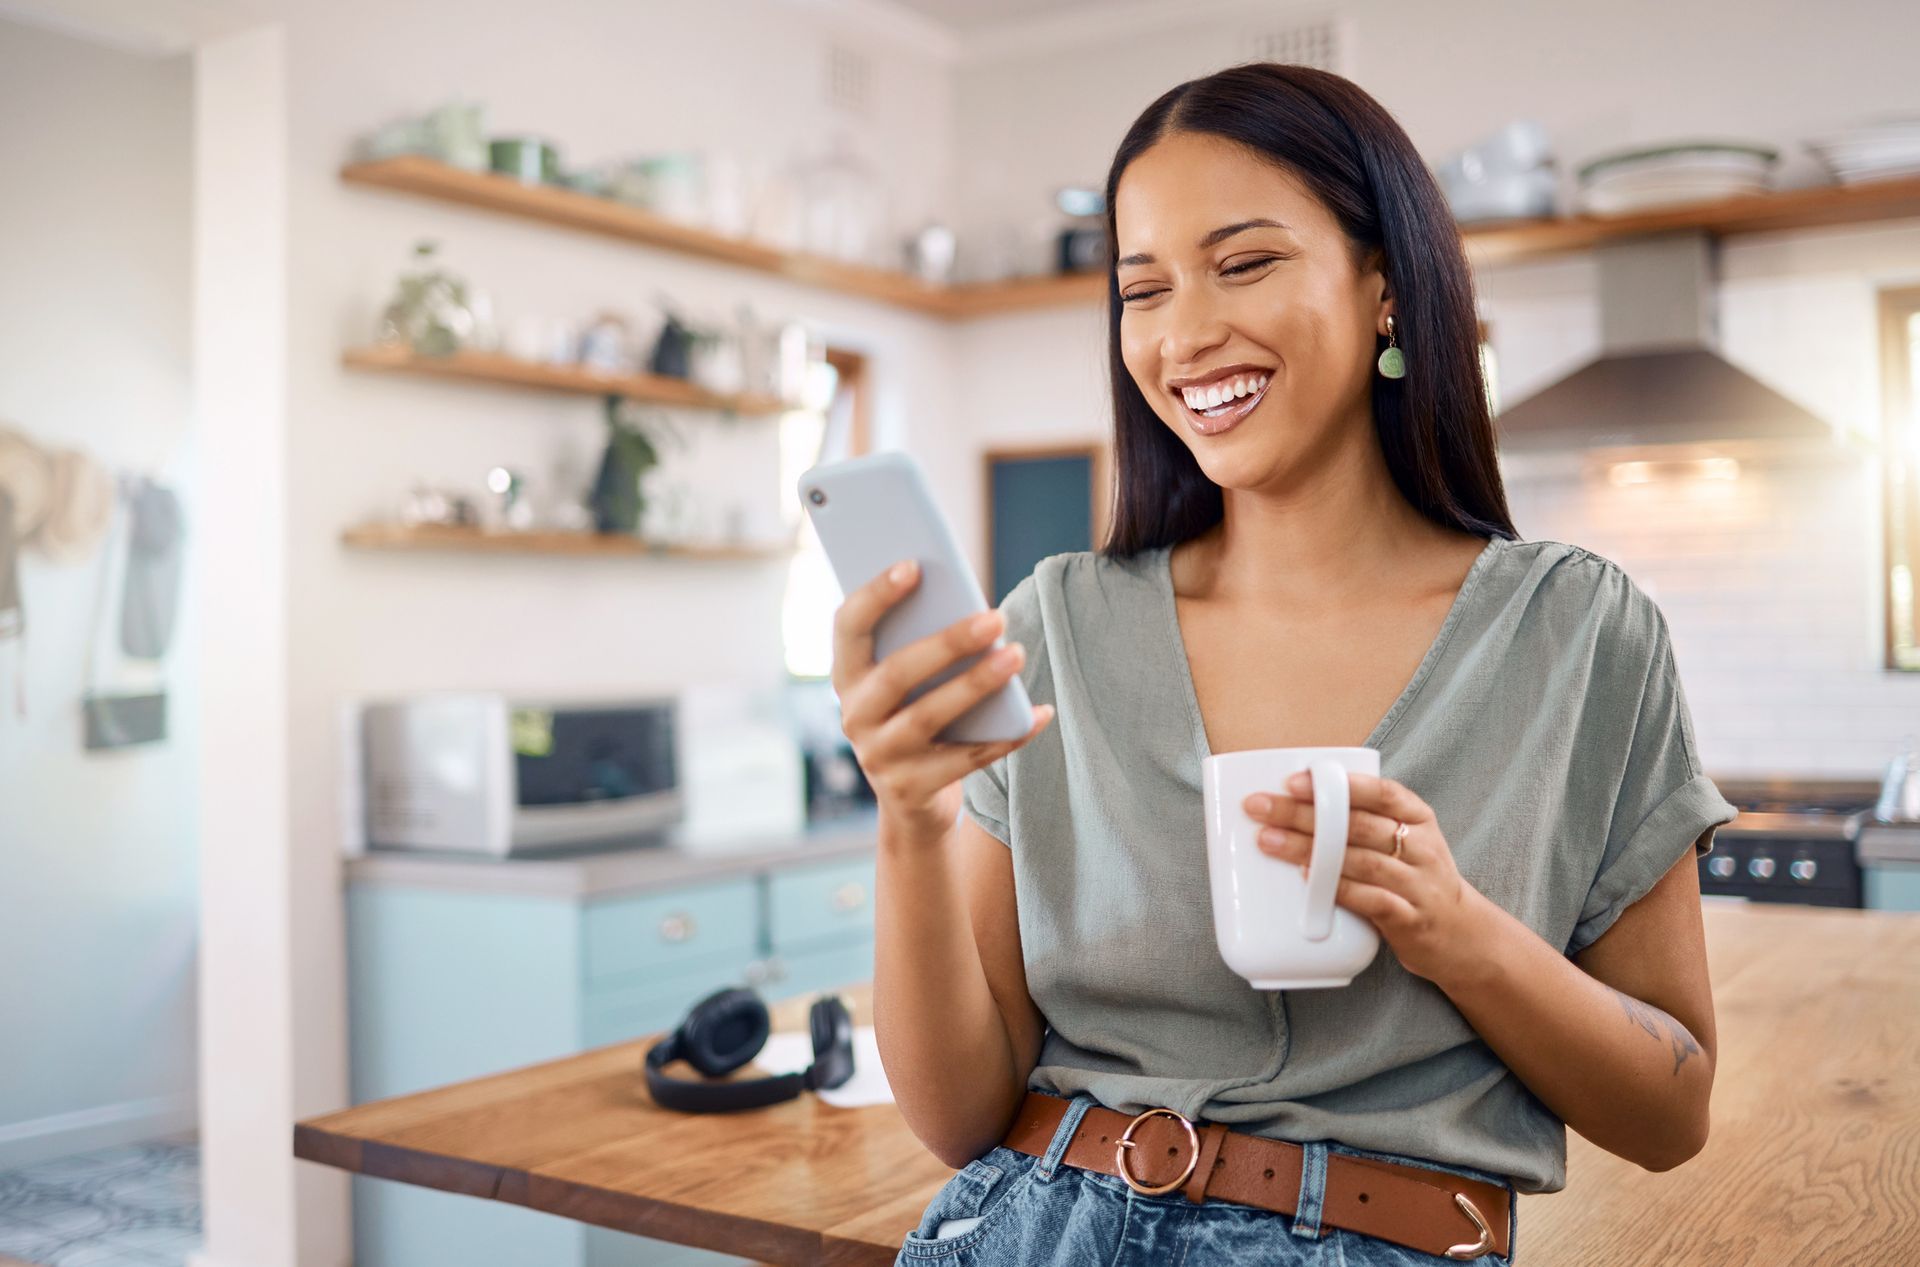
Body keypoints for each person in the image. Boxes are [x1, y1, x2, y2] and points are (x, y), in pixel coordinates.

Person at [829, 63, 1737, 1265]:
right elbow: (954, 1119)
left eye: (1244, 262)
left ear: (1384, 288)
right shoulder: (1055, 626)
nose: (1186, 332)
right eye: (1141, 288)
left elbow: (1671, 1114)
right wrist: (909, 818)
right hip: (1035, 1226)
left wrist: (1458, 930)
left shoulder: (1578, 633)